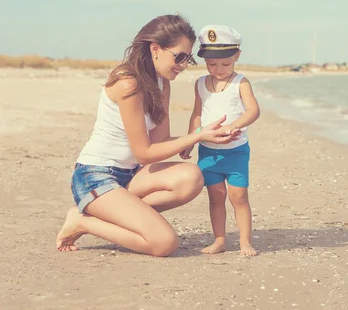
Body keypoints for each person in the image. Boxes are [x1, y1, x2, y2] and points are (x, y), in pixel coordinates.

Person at [55, 14, 241, 257]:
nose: (184, 64)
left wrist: (204, 135)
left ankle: (115, 214)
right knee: (164, 244)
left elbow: (159, 143)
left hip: (131, 175)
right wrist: (195, 137)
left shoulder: (162, 83)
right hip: (95, 178)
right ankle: (83, 221)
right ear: (156, 49)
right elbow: (144, 152)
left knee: (192, 177)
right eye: (180, 56)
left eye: (189, 58)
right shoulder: (128, 83)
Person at [179, 25, 260, 256]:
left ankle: (245, 241)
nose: (219, 69)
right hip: (208, 152)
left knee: (238, 196)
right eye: (212, 64)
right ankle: (220, 240)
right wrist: (190, 141)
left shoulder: (240, 83)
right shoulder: (200, 84)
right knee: (216, 196)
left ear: (237, 56)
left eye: (225, 64)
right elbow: (196, 114)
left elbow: (253, 111)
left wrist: (234, 126)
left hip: (235, 151)